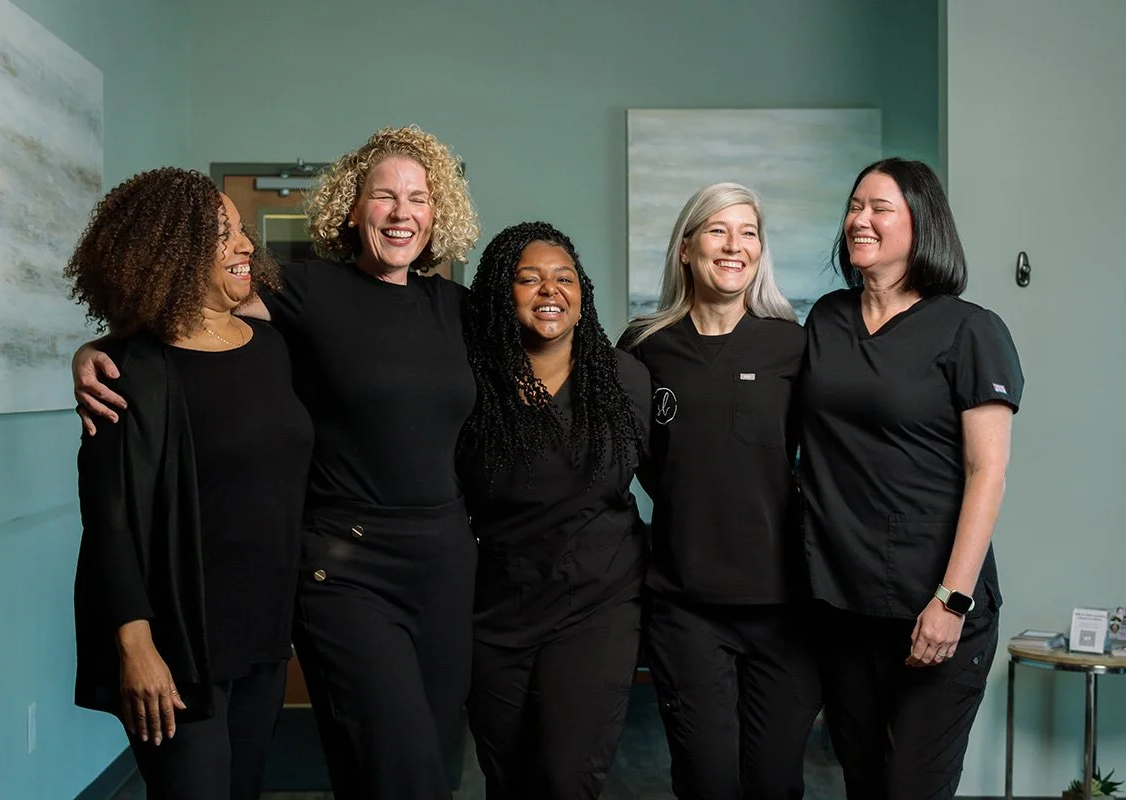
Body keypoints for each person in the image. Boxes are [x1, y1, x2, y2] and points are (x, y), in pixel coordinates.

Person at [71, 127, 481, 800]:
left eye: (419, 197)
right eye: (384, 195)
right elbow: (179, 312)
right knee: (399, 770)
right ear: (353, 206)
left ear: (439, 212)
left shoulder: (454, 310)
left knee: (426, 762)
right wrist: (99, 350)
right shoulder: (305, 292)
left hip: (404, 576)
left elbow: (547, 337)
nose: (402, 212)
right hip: (329, 570)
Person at [69, 167, 313, 799]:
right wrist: (136, 646)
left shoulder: (272, 347)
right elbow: (108, 522)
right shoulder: (128, 370)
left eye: (240, 230)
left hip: (262, 630)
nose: (245, 245)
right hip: (177, 643)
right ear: (170, 252)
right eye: (221, 235)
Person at [798, 158, 1023, 800]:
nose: (860, 220)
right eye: (855, 206)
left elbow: (988, 471)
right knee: (863, 784)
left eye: (880, 208)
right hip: (843, 605)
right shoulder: (827, 319)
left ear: (922, 224)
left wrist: (952, 601)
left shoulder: (971, 329)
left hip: (935, 605)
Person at [618, 183, 821, 800]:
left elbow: (826, 460)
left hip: (785, 609)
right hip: (686, 608)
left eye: (748, 233)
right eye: (717, 230)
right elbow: (634, 460)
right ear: (686, 248)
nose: (735, 246)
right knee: (706, 783)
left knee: (776, 784)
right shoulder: (644, 346)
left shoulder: (792, 344)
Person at [458, 222, 650, 799]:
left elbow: (674, 482)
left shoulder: (624, 380)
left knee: (566, 780)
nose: (550, 290)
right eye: (529, 279)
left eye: (564, 278)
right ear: (503, 293)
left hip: (597, 604)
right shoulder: (471, 384)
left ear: (582, 294)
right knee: (506, 778)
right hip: (497, 610)